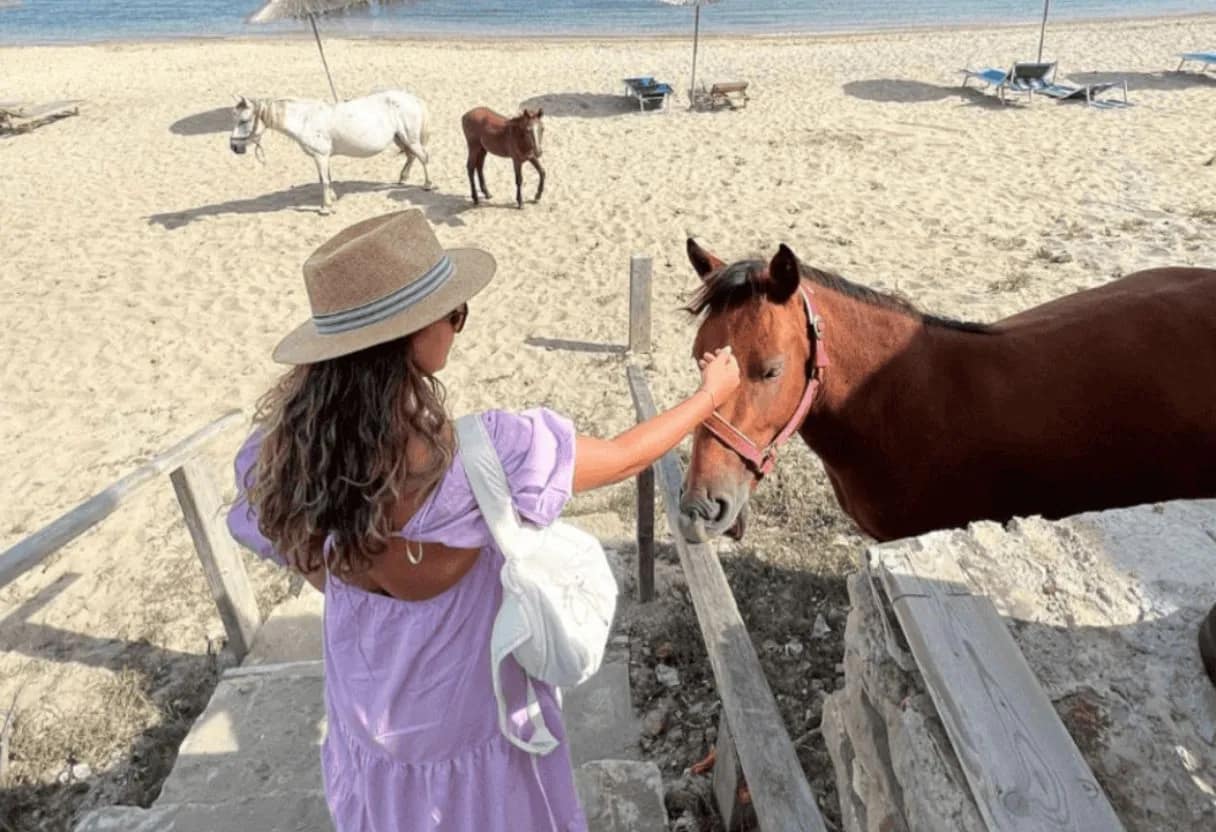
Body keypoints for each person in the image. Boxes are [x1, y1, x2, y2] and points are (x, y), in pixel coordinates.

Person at [226, 209, 739, 832]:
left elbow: (307, 562)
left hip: (371, 730)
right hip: (477, 730)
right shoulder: (489, 457)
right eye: (453, 313)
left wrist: (364, 559)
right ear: (411, 335)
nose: (458, 325)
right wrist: (710, 394)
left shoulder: (285, 457)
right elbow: (628, 453)